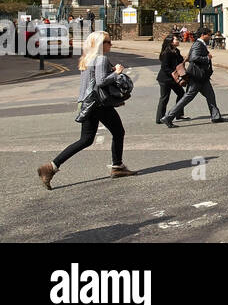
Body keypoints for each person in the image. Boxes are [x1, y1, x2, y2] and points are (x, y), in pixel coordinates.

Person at [38, 31, 137, 188]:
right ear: (100, 44)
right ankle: (117, 167)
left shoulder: (88, 59)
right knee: (117, 132)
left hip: (87, 103)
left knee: (86, 139)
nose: (111, 44)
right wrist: (116, 72)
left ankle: (51, 167)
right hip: (98, 104)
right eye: (108, 42)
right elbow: (101, 81)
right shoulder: (101, 59)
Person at [162, 27, 223, 126]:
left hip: (202, 77)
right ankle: (168, 117)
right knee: (188, 97)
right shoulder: (198, 44)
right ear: (203, 35)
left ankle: (216, 116)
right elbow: (194, 58)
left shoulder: (201, 44)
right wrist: (207, 58)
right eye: (209, 35)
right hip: (197, 76)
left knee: (210, 96)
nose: (210, 37)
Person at [155, 34, 190, 124]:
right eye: (175, 39)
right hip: (165, 79)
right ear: (171, 42)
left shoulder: (176, 51)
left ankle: (178, 114)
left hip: (174, 79)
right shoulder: (167, 53)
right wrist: (173, 73)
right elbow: (165, 67)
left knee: (181, 94)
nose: (177, 40)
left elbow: (179, 62)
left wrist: (185, 60)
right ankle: (160, 118)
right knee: (164, 98)